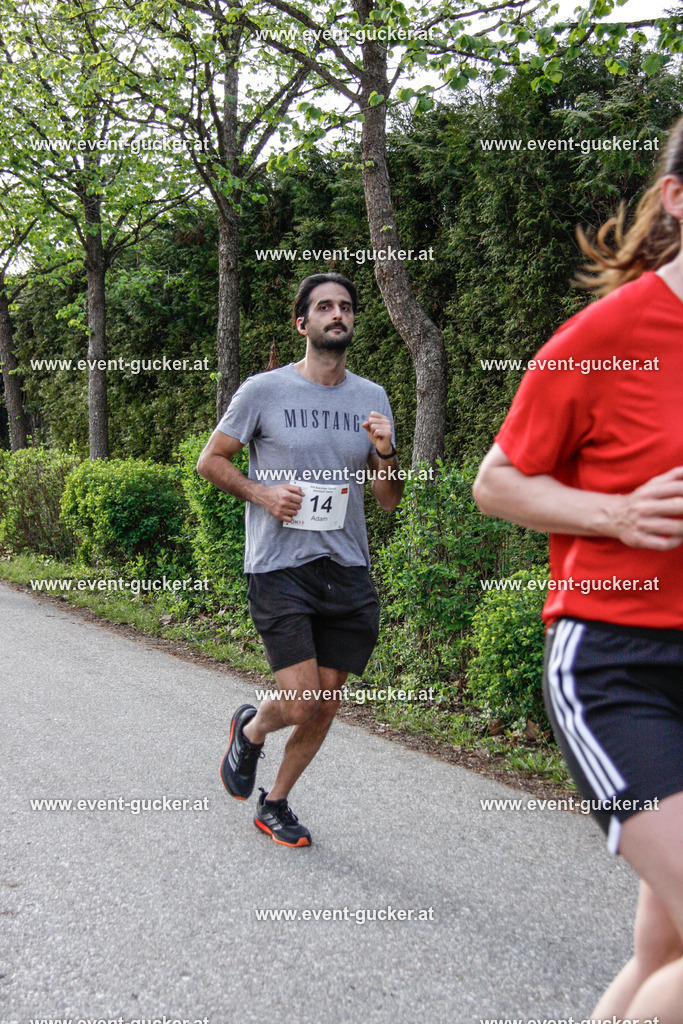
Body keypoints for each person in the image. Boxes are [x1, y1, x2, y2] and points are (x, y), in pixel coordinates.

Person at [473, 118, 683, 1021]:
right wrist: (616, 514)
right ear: (676, 197)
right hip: (617, 666)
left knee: (660, 951)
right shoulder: (607, 334)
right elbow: (496, 483)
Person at [197, 272, 404, 847]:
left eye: (345, 306)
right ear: (302, 323)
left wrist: (386, 452)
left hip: (346, 568)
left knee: (326, 700)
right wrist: (264, 494)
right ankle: (253, 726)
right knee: (302, 697)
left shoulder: (373, 397)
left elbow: (389, 500)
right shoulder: (263, 391)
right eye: (324, 307)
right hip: (279, 566)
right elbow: (209, 462)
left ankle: (277, 802)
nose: (337, 314)